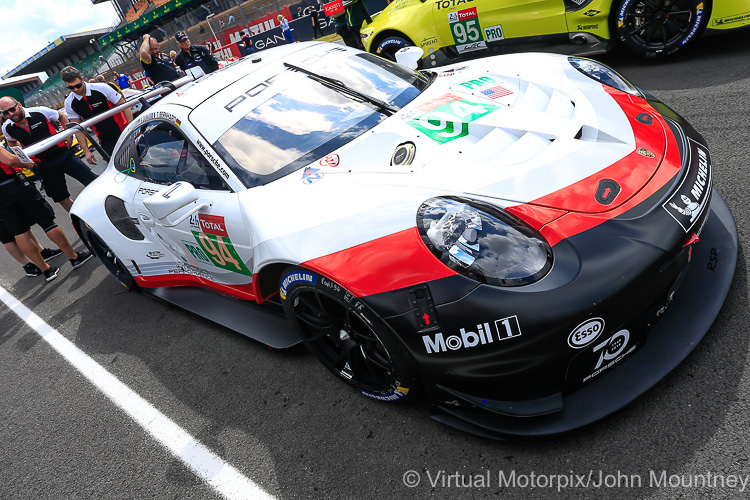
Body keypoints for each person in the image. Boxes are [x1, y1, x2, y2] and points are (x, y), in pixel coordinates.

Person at [0, 147, 91, 282]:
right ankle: (74, 257)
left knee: (19, 231)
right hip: (13, 184)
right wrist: (27, 164)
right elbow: (10, 160)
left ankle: (46, 270)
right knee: (46, 221)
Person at [0, 97, 97, 213]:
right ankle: (82, 219)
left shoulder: (39, 111)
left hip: (63, 155)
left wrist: (68, 135)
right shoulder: (7, 128)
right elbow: (11, 143)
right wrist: (23, 156)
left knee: (92, 182)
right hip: (43, 165)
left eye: (12, 109)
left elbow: (60, 116)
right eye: (6, 113)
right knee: (61, 198)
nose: (10, 114)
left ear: (19, 104)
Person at [61, 66, 133, 158]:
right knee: (121, 170)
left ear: (82, 79)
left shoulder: (102, 88)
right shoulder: (69, 102)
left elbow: (124, 106)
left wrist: (131, 128)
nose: (75, 89)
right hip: (104, 140)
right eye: (71, 87)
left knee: (137, 160)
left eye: (78, 85)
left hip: (123, 131)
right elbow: (77, 129)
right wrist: (86, 151)